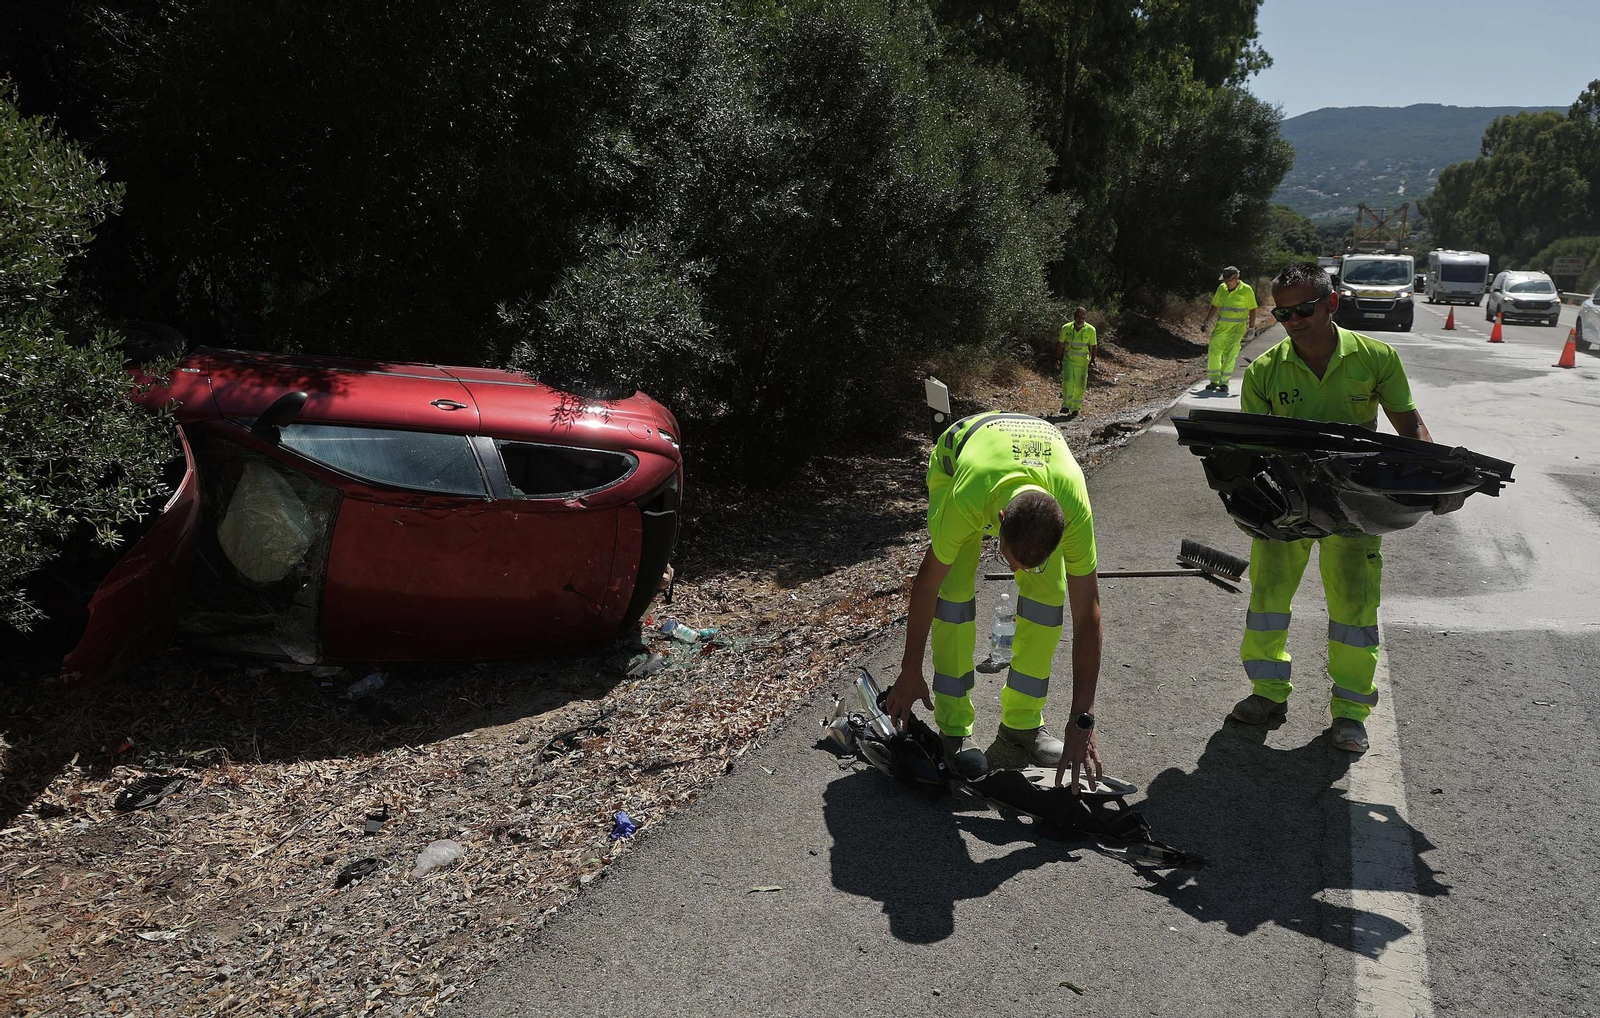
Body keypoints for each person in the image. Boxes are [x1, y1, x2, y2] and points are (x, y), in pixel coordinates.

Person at [1230, 262, 1461, 754]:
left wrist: (1435, 478)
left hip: (1354, 508)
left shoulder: (1375, 358)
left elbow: (1410, 428)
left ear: (1331, 303)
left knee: (1354, 607)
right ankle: (1267, 692)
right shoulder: (1266, 370)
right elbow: (1250, 447)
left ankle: (1351, 711)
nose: (1294, 320)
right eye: (1284, 312)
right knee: (1268, 598)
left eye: (1305, 309)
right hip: (1286, 506)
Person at [885, 412, 1104, 791]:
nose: (1017, 570)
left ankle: (1023, 723)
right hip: (956, 464)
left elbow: (1088, 616)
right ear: (999, 521)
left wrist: (1082, 718)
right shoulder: (968, 498)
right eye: (1010, 560)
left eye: (1026, 565)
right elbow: (926, 586)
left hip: (1030, 458)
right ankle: (954, 728)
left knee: (1048, 595)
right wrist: (909, 670)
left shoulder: (1075, 508)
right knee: (953, 593)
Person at [1200, 267, 1257, 394]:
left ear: (1237, 278)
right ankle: (1214, 381)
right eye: (1225, 280)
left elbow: (1252, 309)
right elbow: (1215, 306)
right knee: (1214, 353)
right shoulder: (1222, 289)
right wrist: (1207, 321)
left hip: (1236, 331)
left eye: (1229, 280)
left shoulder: (1246, 290)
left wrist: (1252, 328)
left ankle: (1224, 383)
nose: (1226, 283)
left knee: (1230, 355)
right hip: (1221, 328)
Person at [1056, 306, 1097, 419]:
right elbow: (1060, 344)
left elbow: (1093, 346)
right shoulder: (1066, 328)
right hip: (1068, 360)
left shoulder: (1090, 329)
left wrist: (1093, 360)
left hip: (1083, 362)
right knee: (1068, 381)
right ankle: (1065, 405)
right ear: (1074, 317)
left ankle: (1075, 408)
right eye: (1079, 317)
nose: (1080, 320)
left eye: (1083, 317)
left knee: (1080, 385)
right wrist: (1057, 358)